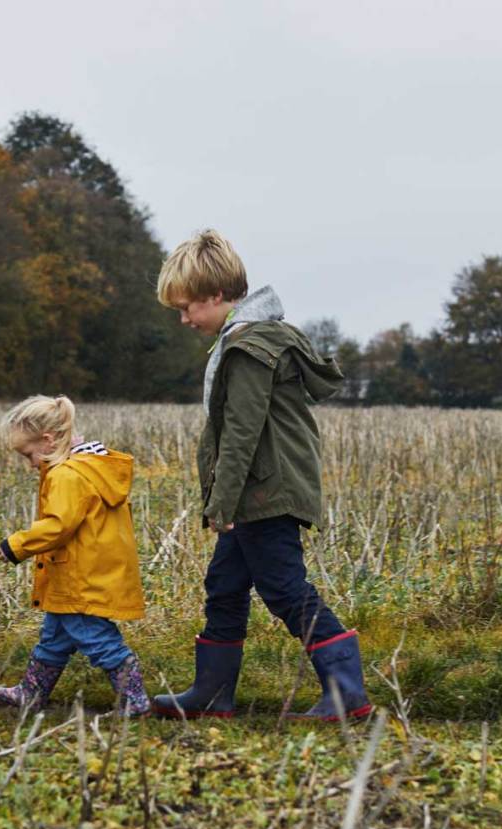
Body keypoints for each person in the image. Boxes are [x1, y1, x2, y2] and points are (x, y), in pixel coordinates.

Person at [151, 230, 372, 721]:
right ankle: (211, 695)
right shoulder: (240, 340)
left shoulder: (250, 347)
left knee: (285, 588)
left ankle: (346, 692)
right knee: (225, 584)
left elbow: (241, 434)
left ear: (215, 296)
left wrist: (221, 502)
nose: (184, 319)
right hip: (256, 491)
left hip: (266, 492)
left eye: (187, 308)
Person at [0, 395, 149, 716]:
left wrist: (16, 545)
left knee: (97, 639)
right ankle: (31, 692)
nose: (30, 464)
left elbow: (58, 526)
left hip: (80, 576)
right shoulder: (87, 467)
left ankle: (135, 700)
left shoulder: (67, 475)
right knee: (54, 638)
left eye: (28, 454)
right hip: (83, 571)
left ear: (48, 441)